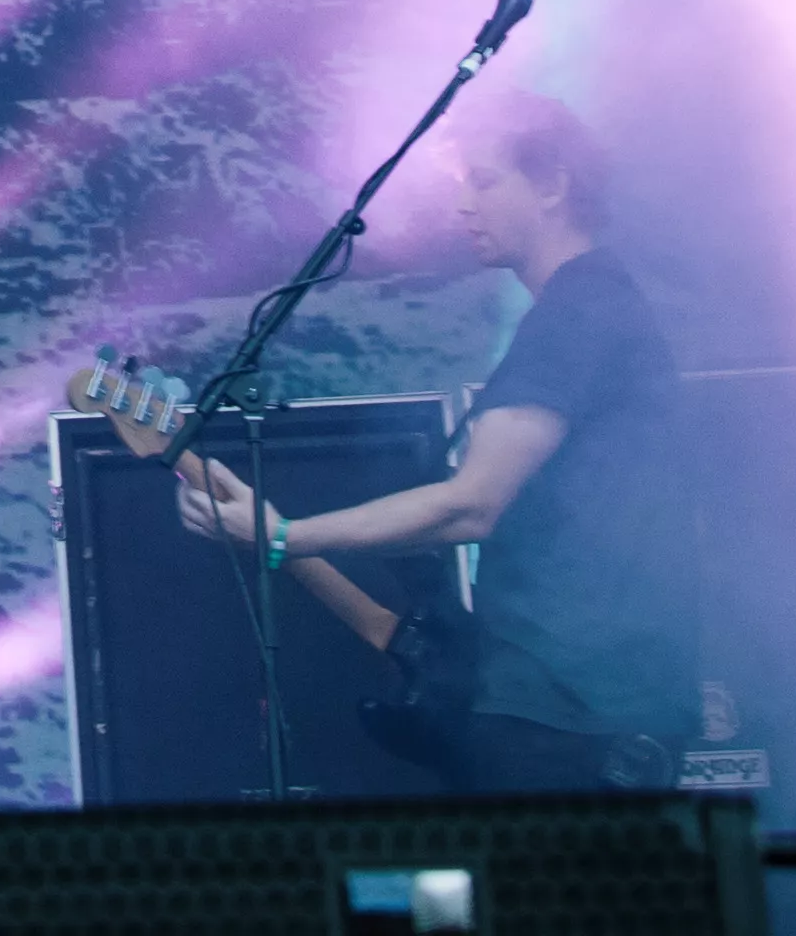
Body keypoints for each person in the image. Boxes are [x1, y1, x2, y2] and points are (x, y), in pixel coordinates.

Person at [170, 90, 694, 788]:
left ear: (553, 186)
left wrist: (281, 537)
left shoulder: (576, 314)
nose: (464, 207)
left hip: (576, 717)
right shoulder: (590, 308)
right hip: (572, 705)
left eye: (484, 182)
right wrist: (266, 520)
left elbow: (470, 506)